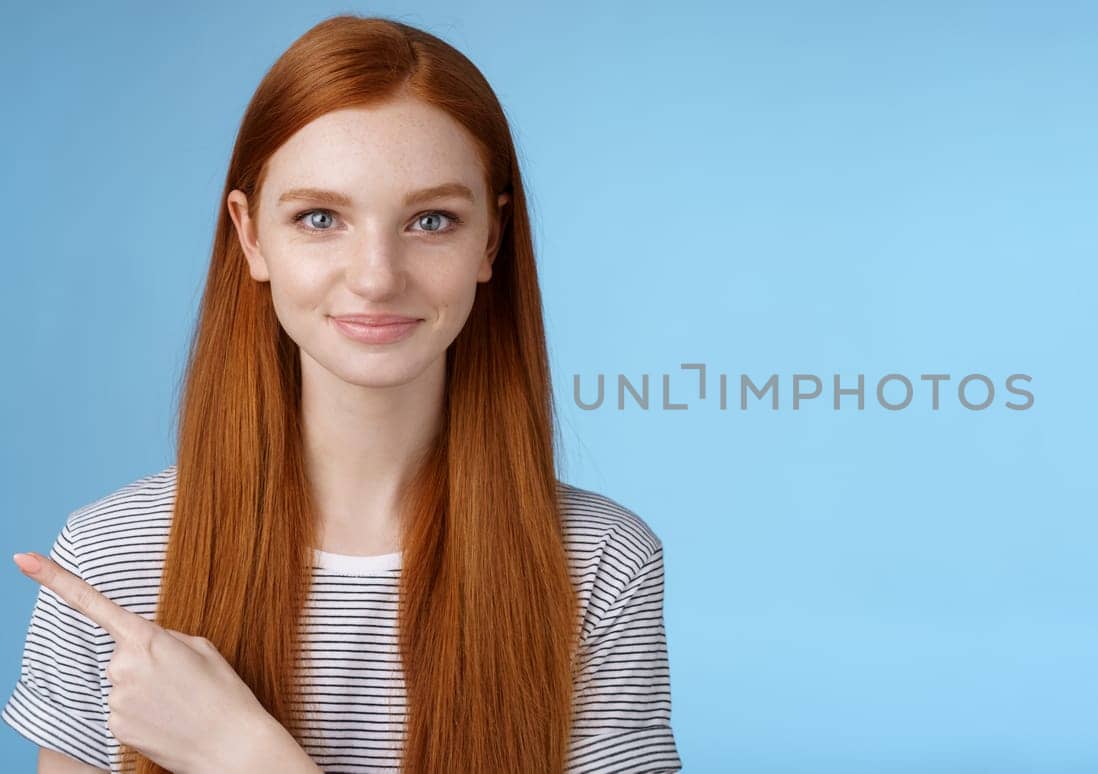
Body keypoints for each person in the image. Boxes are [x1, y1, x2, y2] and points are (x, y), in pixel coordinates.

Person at [3, 14, 682, 774]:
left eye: (432, 220)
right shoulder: (113, 560)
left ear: (490, 241)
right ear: (251, 236)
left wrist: (244, 756)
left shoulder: (598, 565)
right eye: (320, 218)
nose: (376, 276)